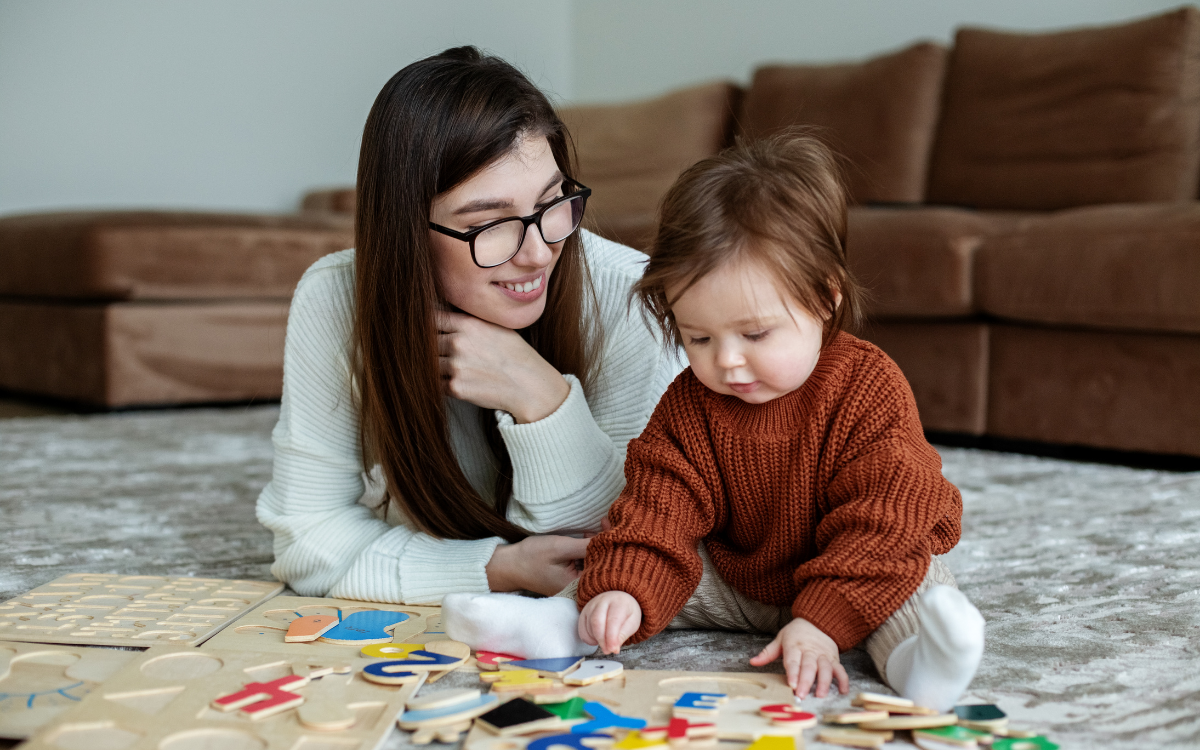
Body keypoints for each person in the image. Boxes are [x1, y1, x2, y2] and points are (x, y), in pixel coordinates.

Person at [445, 133, 985, 711]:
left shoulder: (866, 386)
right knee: (638, 560)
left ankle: (919, 665)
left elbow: (887, 515)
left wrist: (822, 623)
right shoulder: (691, 403)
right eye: (698, 337)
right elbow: (660, 505)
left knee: (915, 580)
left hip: (847, 566)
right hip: (740, 580)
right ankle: (558, 625)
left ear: (825, 299)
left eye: (755, 334)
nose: (726, 360)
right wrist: (622, 589)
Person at [255, 47, 682, 612]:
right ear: (407, 228)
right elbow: (308, 540)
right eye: (491, 225)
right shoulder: (336, 296)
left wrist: (541, 398)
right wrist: (496, 569)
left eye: (553, 202)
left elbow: (625, 550)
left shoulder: (632, 298)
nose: (538, 252)